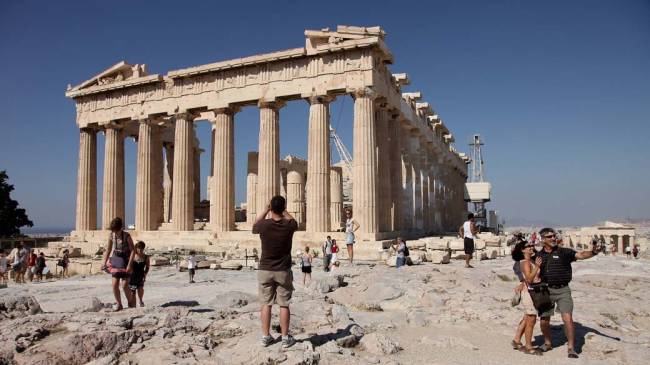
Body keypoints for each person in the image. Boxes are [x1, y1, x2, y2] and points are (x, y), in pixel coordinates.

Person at [537, 227, 599, 359]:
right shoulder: (539, 255)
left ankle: (571, 348)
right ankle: (547, 343)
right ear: (543, 240)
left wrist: (593, 252)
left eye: (554, 236)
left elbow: (581, 255)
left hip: (563, 290)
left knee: (568, 319)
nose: (553, 238)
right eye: (549, 237)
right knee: (544, 320)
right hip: (546, 290)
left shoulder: (564, 252)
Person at [252, 196, 298, 349]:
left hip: (265, 269)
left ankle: (266, 337)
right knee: (284, 305)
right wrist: (284, 210)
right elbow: (294, 221)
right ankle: (285, 338)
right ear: (283, 208)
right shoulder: (288, 225)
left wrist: (266, 209)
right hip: (283, 270)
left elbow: (254, 225)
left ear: (271, 208)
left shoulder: (263, 226)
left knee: (266, 304)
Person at [101, 217, 136, 311]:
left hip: (126, 261)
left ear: (120, 228)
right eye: (113, 230)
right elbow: (108, 250)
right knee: (114, 285)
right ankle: (119, 304)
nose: (115, 232)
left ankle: (131, 302)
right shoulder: (111, 235)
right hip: (116, 260)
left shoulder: (127, 236)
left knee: (125, 285)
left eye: (116, 230)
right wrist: (104, 262)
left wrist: (129, 265)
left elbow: (133, 250)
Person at [520, 241, 543, 355]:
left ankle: (519, 341)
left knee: (530, 318)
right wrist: (537, 266)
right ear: (523, 250)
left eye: (531, 246)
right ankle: (528, 346)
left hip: (535, 292)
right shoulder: (525, 263)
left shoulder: (531, 261)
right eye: (527, 247)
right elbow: (529, 279)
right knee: (531, 319)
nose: (531, 247)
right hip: (529, 293)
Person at [129, 241, 150, 307]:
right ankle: (133, 305)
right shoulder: (132, 256)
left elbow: (147, 266)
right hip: (132, 276)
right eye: (138, 248)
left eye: (141, 248)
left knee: (140, 288)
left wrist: (145, 274)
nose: (140, 250)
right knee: (132, 292)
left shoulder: (146, 257)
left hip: (141, 275)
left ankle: (140, 300)